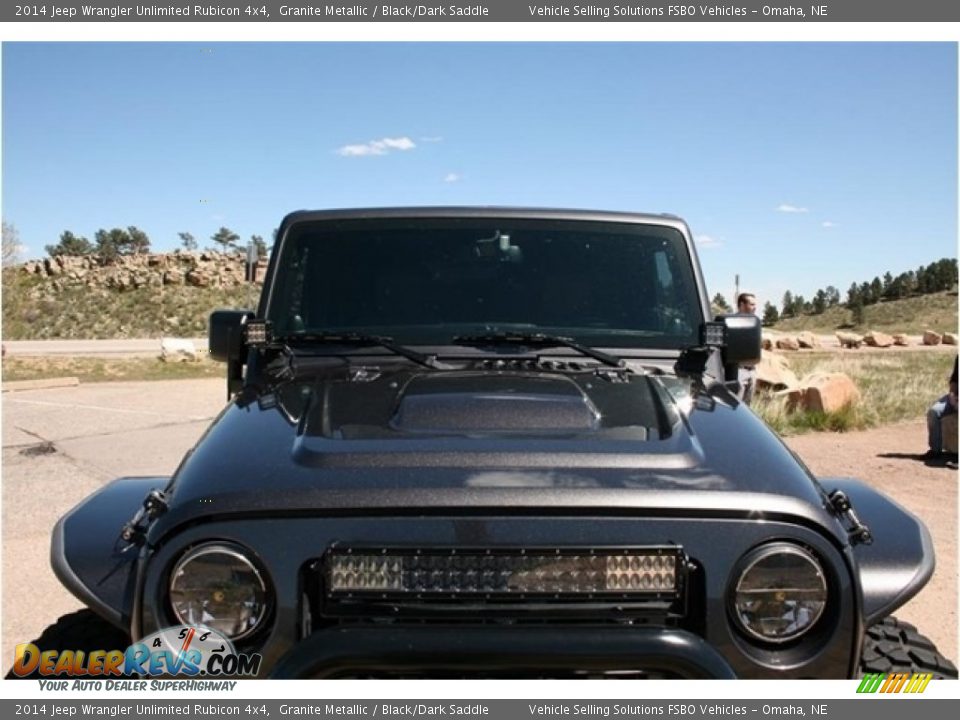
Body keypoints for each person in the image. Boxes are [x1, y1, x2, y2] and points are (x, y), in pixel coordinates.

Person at [926, 356, 958, 458]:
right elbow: (954, 379)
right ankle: (935, 451)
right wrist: (952, 396)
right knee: (933, 412)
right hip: (956, 396)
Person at [736, 292, 758, 405]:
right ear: (742, 304)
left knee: (748, 409)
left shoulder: (755, 323)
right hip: (738, 371)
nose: (755, 307)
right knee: (737, 408)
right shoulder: (732, 323)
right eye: (752, 304)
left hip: (752, 370)